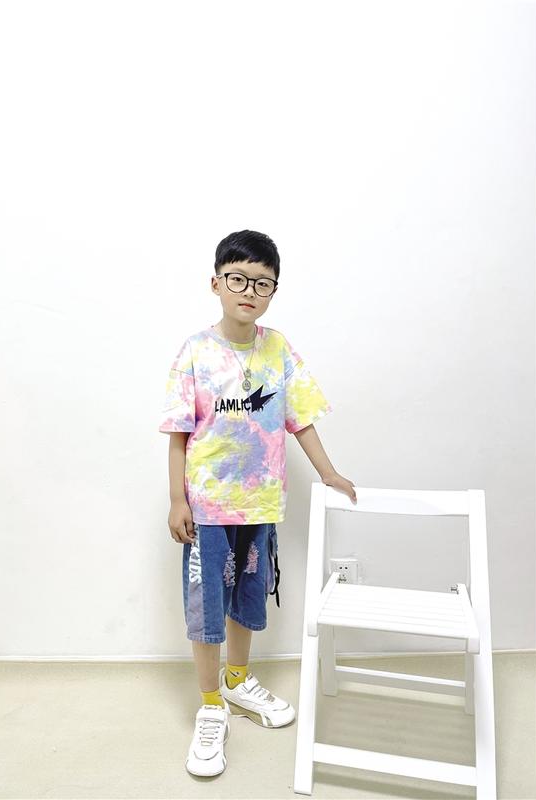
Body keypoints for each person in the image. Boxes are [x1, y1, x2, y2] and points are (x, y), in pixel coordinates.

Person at [158, 229, 357, 777]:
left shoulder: (278, 348)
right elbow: (177, 432)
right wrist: (177, 499)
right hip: (207, 509)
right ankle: (210, 705)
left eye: (262, 283)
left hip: (260, 505)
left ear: (273, 290)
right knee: (206, 607)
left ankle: (237, 680)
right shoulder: (195, 351)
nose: (249, 290)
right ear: (216, 283)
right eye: (239, 279)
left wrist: (328, 472)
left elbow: (301, 418)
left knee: (247, 598)